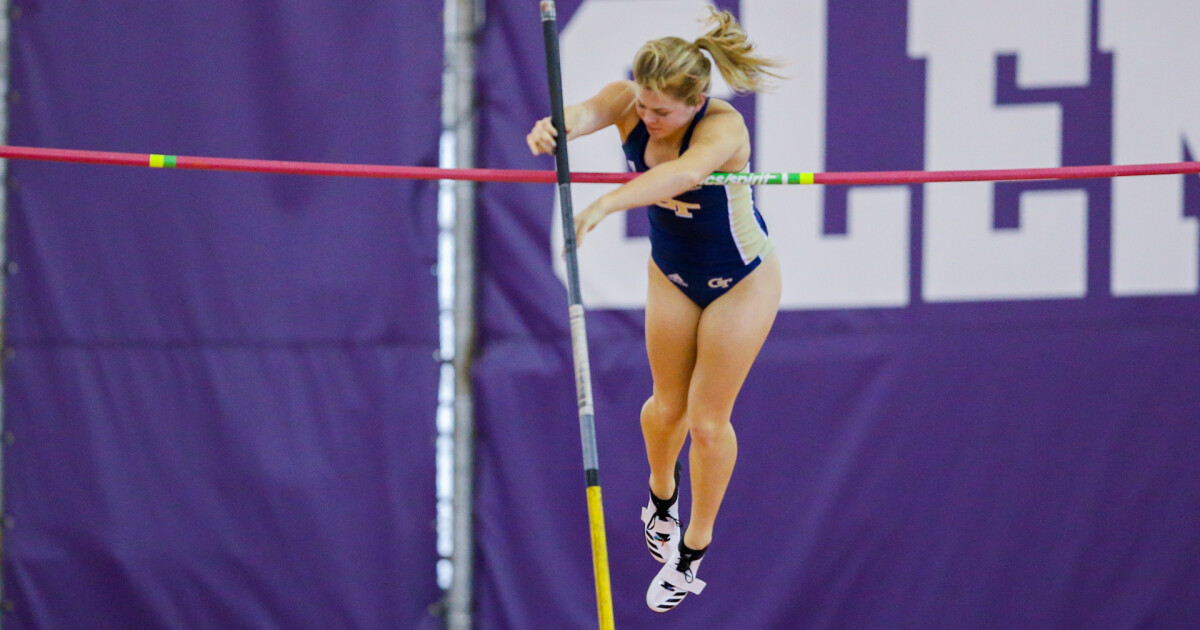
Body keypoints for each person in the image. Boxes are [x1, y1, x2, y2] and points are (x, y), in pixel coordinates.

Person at [526, 7, 783, 613]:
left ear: (695, 103)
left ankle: (691, 551)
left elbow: (682, 175)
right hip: (671, 274)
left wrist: (606, 204)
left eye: (661, 111)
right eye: (643, 106)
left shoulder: (723, 129)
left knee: (706, 422)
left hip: (742, 280)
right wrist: (551, 127)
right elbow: (584, 114)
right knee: (664, 408)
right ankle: (660, 496)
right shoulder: (628, 100)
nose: (648, 119)